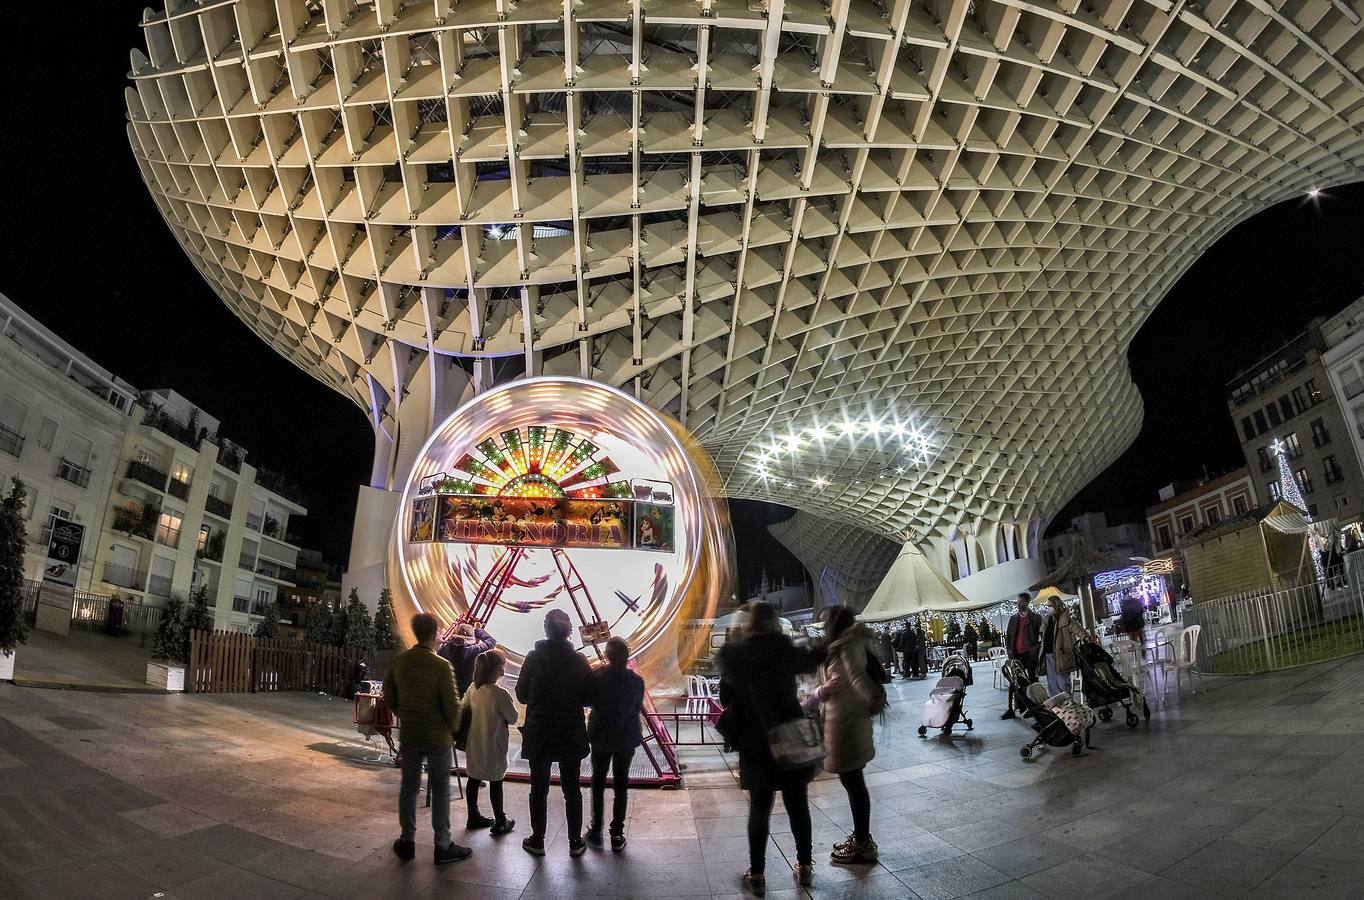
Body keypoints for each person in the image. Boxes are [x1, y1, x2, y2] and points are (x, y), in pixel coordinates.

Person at [718, 602, 825, 895]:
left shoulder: (738, 654)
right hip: (790, 733)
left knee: (760, 807)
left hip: (755, 738)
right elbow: (813, 659)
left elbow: (725, 696)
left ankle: (758, 874)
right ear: (775, 622)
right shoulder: (785, 648)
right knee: (797, 803)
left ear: (750, 622)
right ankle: (804, 866)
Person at [383, 613, 472, 865]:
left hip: (411, 734)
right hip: (438, 737)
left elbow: (389, 697)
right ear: (435, 634)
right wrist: (453, 728)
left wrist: (406, 714)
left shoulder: (401, 661)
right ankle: (442, 845)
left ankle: (407, 840)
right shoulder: (442, 666)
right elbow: (452, 708)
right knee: (441, 790)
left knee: (409, 788)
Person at [517, 609, 591, 858]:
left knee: (538, 789)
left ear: (546, 628)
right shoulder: (579, 661)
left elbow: (522, 695)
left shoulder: (533, 658)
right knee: (572, 789)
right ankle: (575, 841)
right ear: (569, 630)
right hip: (570, 731)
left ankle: (537, 840)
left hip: (540, 731)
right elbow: (587, 696)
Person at [811, 606, 880, 865]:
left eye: (825, 622)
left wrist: (815, 695)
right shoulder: (844, 643)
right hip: (847, 719)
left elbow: (848, 678)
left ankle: (862, 844)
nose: (823, 627)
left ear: (834, 623)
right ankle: (861, 837)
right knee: (853, 781)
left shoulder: (846, 645)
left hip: (847, 723)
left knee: (853, 782)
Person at [585, 636, 644, 852]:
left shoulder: (597, 676)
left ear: (607, 655)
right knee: (621, 785)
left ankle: (596, 829)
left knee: (597, 783)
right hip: (626, 737)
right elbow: (636, 706)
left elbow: (586, 700)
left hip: (601, 736)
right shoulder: (636, 681)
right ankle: (617, 833)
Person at [463, 649, 518, 836]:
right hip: (494, 746)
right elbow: (513, 718)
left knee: (473, 778)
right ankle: (500, 820)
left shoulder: (473, 688)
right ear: (498, 670)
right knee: (496, 782)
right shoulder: (500, 694)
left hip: (474, 743)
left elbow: (463, 707)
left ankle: (473, 815)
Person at [1002, 593, 1041, 719]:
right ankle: (1011, 709)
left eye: (1020, 601)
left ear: (1026, 602)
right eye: (1017, 601)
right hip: (1016, 655)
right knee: (1014, 683)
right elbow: (1009, 637)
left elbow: (1041, 636)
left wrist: (1035, 649)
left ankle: (1034, 708)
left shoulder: (1035, 618)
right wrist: (1010, 653)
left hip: (1030, 655)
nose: (1018, 604)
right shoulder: (1013, 619)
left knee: (1032, 681)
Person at [439, 622, 496, 696]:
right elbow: (491, 642)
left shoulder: (443, 647)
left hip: (441, 689)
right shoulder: (475, 650)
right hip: (461, 693)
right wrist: (478, 631)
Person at [1041, 598, 1080, 697]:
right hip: (1048, 652)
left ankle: (1067, 700)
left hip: (1061, 653)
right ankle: (1057, 703)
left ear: (1056, 606)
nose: (1048, 608)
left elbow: (1077, 628)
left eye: (1050, 606)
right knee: (1052, 680)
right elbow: (1042, 632)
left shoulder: (1065, 619)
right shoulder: (1047, 619)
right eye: (1047, 606)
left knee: (1062, 679)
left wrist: (1086, 637)